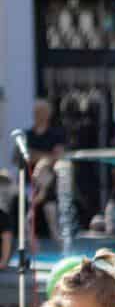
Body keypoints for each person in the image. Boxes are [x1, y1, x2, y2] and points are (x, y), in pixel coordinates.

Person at [20, 99, 66, 241]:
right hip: (29, 181)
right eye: (36, 112)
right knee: (29, 206)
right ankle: (29, 239)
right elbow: (20, 157)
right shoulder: (26, 135)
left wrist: (37, 156)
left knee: (48, 204)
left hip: (49, 181)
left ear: (49, 114)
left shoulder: (56, 134)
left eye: (42, 112)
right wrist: (46, 155)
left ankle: (56, 236)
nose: (39, 115)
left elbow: (58, 157)